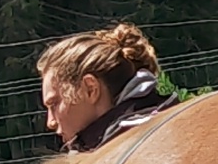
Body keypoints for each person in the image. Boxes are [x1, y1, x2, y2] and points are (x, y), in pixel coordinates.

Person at [37, 24, 171, 154]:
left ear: (91, 89)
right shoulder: (167, 125)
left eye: (54, 104)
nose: (51, 123)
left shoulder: (128, 151)